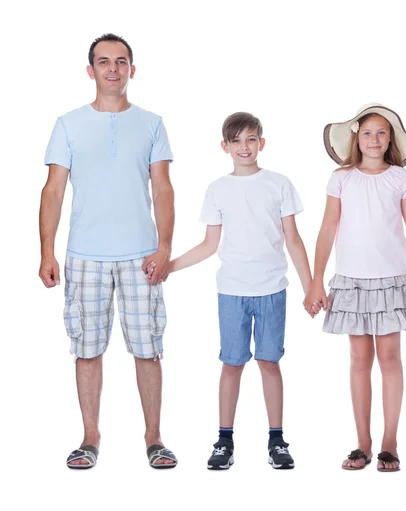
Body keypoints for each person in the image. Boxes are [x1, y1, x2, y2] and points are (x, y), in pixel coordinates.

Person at [39, 33, 177, 469]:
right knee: (87, 349)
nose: (113, 69)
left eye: (121, 61)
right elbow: (53, 191)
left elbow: (163, 188)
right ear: (90, 70)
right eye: (104, 61)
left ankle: (154, 438)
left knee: (147, 348)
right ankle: (89, 437)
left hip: (141, 255)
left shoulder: (152, 122)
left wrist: (165, 246)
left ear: (132, 70)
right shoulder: (68, 124)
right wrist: (47, 251)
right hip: (85, 256)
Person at [305, 103, 406, 472]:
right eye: (367, 132)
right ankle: (362, 442)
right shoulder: (341, 178)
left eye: (382, 132)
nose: (374, 139)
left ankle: (390, 441)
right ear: (357, 137)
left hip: (389, 280)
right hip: (350, 281)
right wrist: (316, 281)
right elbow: (327, 228)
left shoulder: (401, 179)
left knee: (389, 359)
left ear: (391, 139)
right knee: (359, 360)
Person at [165, 112, 312, 470]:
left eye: (251, 139)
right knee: (231, 363)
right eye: (236, 141)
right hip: (232, 290)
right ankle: (224, 440)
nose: (244, 147)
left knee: (269, 361)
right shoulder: (218, 189)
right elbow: (209, 244)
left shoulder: (278, 183)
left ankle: (276, 439)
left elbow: (293, 240)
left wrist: (311, 288)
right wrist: (171, 266)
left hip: (272, 289)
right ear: (225, 146)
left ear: (262, 143)